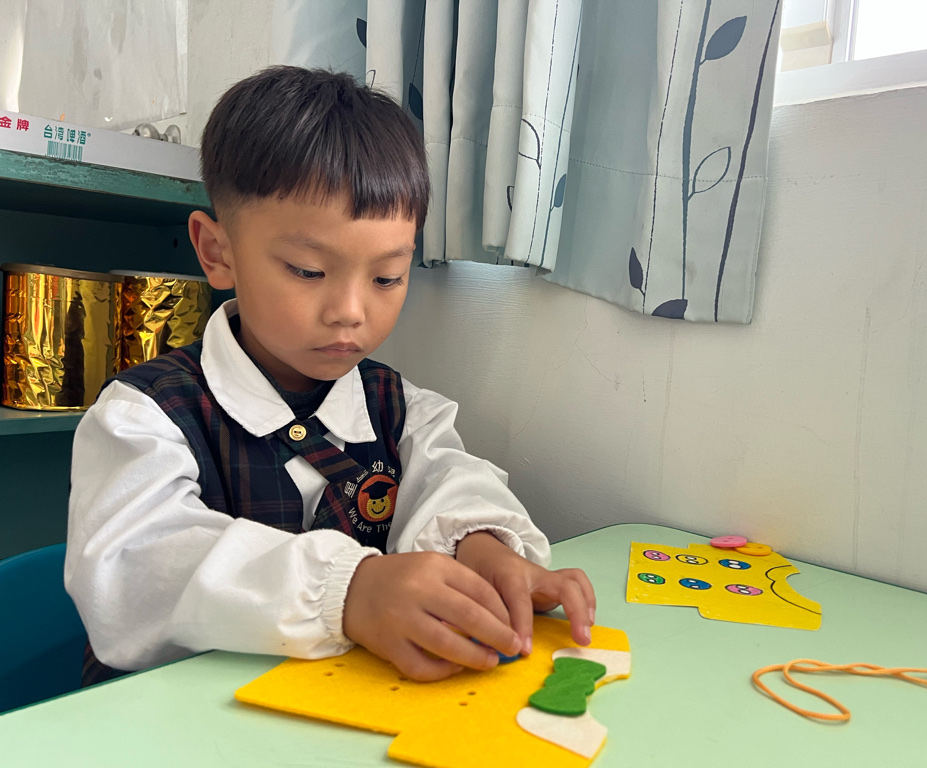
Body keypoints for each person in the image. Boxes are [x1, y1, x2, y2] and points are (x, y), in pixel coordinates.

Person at [65, 66, 595, 685]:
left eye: (387, 278)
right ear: (217, 252)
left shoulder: (401, 409)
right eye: (308, 271)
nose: (350, 311)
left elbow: (452, 481)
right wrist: (348, 589)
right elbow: (132, 570)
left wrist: (480, 545)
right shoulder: (144, 417)